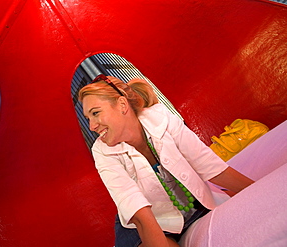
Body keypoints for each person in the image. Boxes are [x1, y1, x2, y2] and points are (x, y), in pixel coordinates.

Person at [78, 74, 254, 247]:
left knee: (245, 204)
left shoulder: (160, 118)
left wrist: (264, 190)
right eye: (88, 118)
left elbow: (208, 165)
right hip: (149, 223)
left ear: (122, 105)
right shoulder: (102, 152)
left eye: (95, 113)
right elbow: (139, 214)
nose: (92, 126)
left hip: (192, 204)